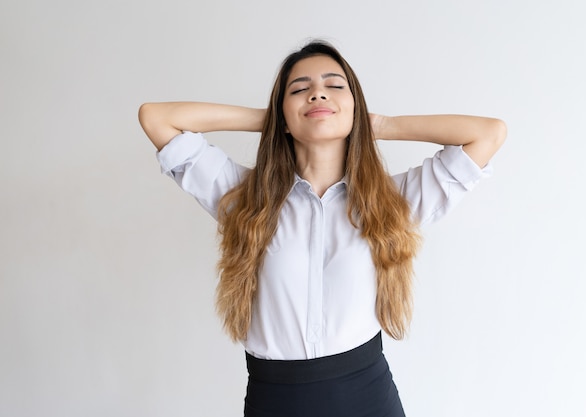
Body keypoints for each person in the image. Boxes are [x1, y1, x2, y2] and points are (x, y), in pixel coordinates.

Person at [138, 41, 506, 417]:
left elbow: (488, 133)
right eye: (299, 89)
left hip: (367, 398)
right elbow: (156, 118)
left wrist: (378, 124)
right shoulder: (244, 199)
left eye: (334, 86)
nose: (317, 93)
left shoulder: (392, 202)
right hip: (274, 401)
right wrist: (273, 120)